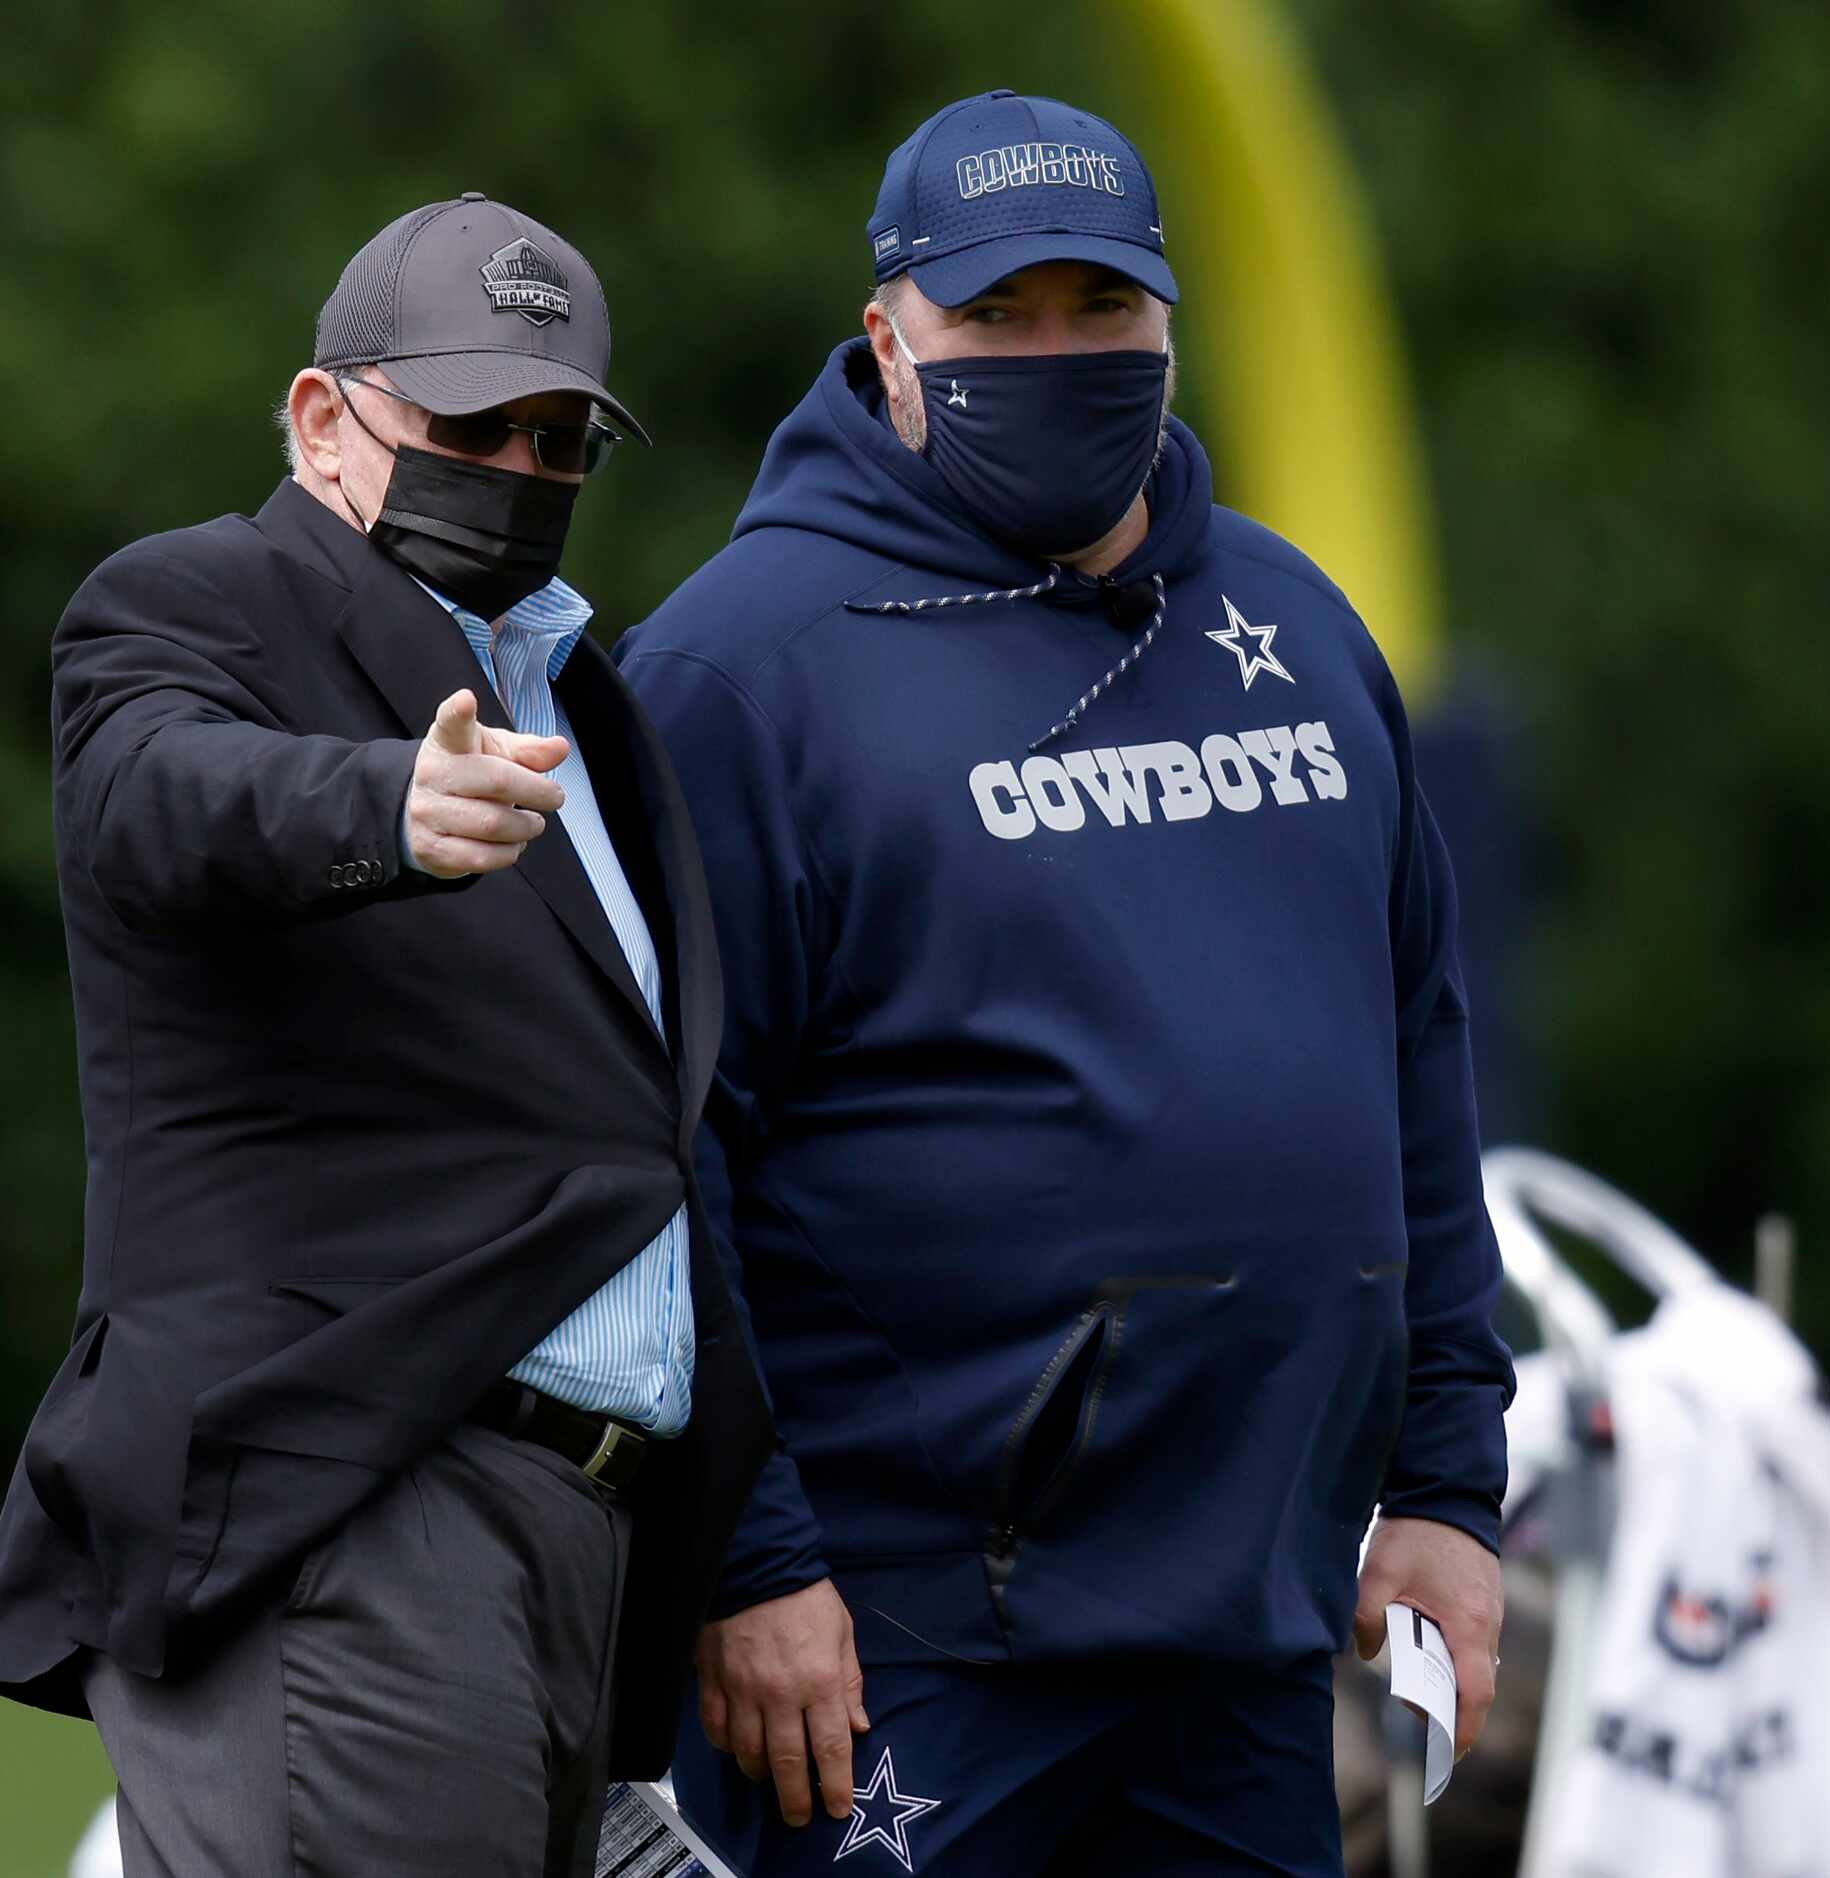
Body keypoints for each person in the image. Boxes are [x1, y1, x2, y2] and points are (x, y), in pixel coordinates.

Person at [618, 91, 1515, 1876]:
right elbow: (649, 1154)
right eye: (994, 317)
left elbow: (1412, 1059)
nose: (1056, 353)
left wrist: (1442, 1486)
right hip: (898, 1649)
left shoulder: (1293, 625)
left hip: (1249, 1624)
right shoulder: (739, 672)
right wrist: (748, 1557)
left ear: (1167, 323)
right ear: (887, 341)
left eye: (1099, 312)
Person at [0, 195, 774, 1878]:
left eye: (560, 436)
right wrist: (381, 800)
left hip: (579, 1555)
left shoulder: (591, 699)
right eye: (474, 424)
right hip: (352, 1512)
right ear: (326, 418)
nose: (521, 467)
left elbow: (643, 1145)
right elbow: (152, 795)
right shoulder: (197, 599)